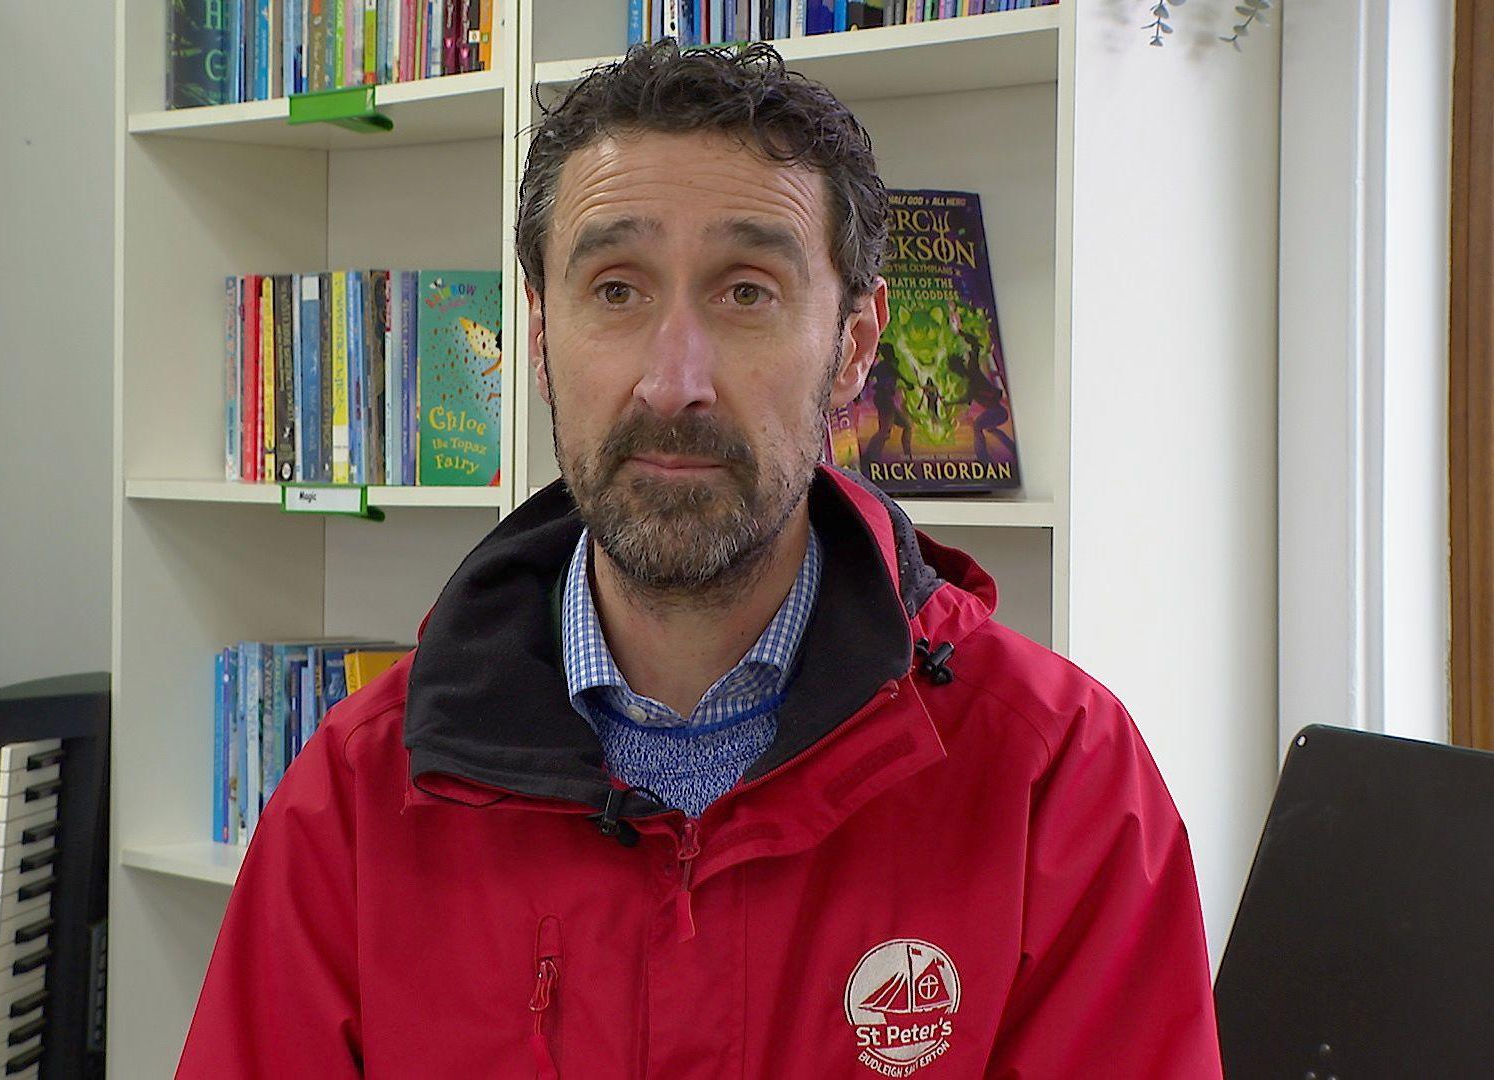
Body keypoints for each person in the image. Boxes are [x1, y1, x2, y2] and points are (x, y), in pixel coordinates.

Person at [179, 40, 1221, 1078]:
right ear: (540, 337)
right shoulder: (358, 801)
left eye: (747, 292)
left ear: (856, 345)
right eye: (618, 290)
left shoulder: (1057, 780)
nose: (672, 381)